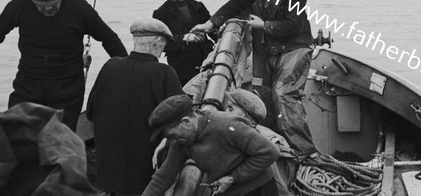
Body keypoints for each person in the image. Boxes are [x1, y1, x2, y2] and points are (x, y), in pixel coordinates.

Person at [191, 0, 317, 157]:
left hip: (296, 48)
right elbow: (237, 2)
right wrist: (210, 23)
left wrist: (263, 25)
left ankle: (305, 152)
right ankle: (275, 144)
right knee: (265, 94)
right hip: (273, 51)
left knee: (284, 95)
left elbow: (295, 25)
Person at [0, 0, 127, 131]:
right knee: (14, 132)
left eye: (53, 3)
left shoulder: (79, 9)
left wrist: (127, 70)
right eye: (42, 5)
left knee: (61, 139)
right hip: (29, 83)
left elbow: (109, 38)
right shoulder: (20, 5)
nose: (48, 8)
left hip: (67, 87)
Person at [86, 18, 184, 195]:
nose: (162, 53)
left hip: (108, 174)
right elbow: (183, 121)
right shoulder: (164, 73)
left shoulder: (110, 66)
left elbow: (90, 113)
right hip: (146, 177)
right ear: (158, 43)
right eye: (164, 47)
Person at [143, 94, 280, 196]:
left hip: (259, 188)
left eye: (172, 135)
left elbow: (269, 152)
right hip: (229, 191)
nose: (172, 140)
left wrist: (233, 177)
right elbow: (162, 179)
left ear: (186, 122)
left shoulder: (228, 125)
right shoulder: (181, 143)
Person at [224, 89, 298, 196]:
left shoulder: (261, 144)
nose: (225, 112)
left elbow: (278, 185)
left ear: (244, 115)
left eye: (230, 109)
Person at [153, 0, 216, 84]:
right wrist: (184, 38)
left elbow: (214, 32)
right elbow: (160, 44)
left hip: (207, 63)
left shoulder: (198, 7)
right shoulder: (161, 14)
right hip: (182, 71)